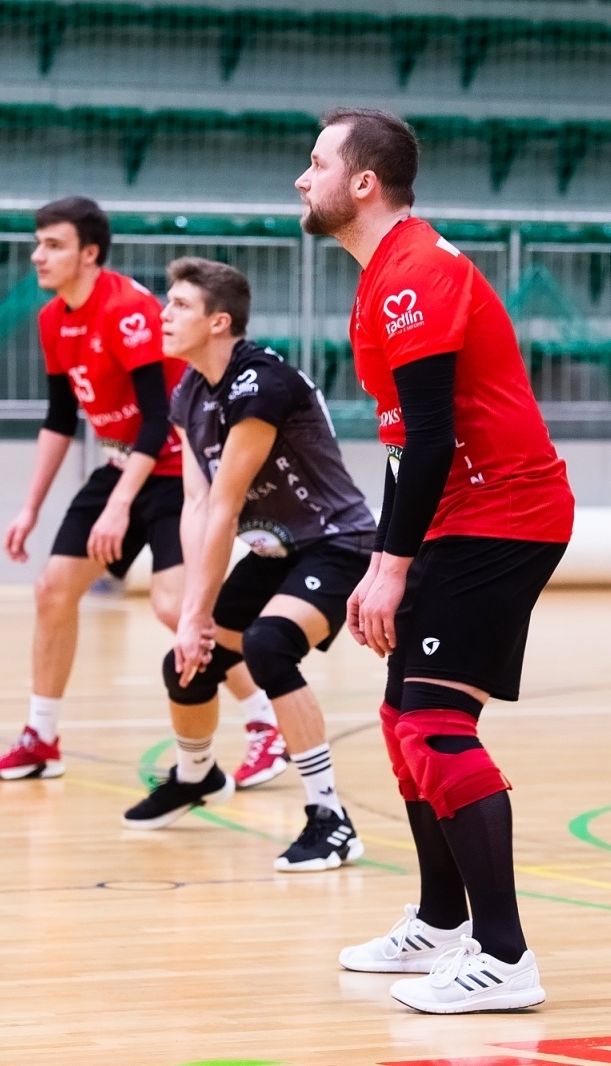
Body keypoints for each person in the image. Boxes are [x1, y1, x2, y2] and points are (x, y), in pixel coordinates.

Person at [297, 108, 572, 1014]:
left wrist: (389, 563)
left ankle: (505, 956)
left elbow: (433, 434)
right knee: (399, 720)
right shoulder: (384, 277)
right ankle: (441, 922)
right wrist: (390, 557)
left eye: (317, 164)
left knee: (436, 729)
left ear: (363, 183)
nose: (303, 181)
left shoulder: (415, 272)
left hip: (503, 515)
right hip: (457, 517)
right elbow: (400, 446)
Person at [0, 198, 283, 785]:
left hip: (173, 471)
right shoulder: (51, 319)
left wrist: (120, 505)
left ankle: (265, 724)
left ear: (90, 254)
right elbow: (61, 418)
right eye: (38, 243)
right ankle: (41, 739)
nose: (38, 255)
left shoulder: (128, 310)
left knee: (174, 608)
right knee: (51, 591)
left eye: (54, 244)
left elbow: (154, 417)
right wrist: (30, 507)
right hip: (121, 466)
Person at [120, 256, 375, 874]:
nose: (164, 314)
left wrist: (197, 612)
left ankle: (330, 819)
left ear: (219, 322)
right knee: (189, 664)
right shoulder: (189, 393)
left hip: (339, 543)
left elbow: (226, 506)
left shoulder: (259, 385)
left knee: (268, 645)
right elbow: (196, 500)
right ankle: (197, 776)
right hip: (275, 549)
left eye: (179, 305)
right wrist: (191, 618)